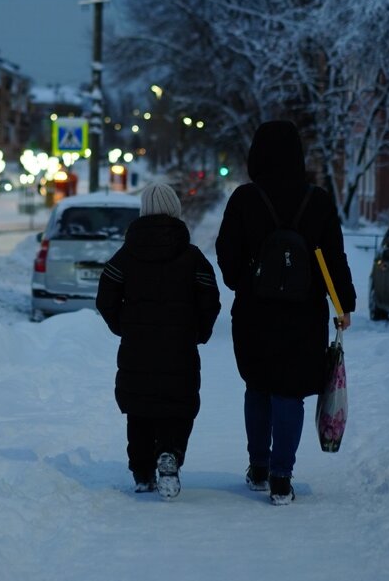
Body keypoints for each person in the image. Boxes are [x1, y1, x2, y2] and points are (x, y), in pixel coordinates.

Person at [215, 120, 355, 505]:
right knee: (290, 393)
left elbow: (226, 258)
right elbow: (334, 260)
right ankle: (281, 478)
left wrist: (247, 280)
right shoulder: (319, 201)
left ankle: (258, 467)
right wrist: (343, 305)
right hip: (303, 316)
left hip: (254, 314)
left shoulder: (245, 199)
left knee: (258, 386)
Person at [96, 182, 221, 500]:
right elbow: (210, 297)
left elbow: (105, 296)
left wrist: (123, 326)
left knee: (139, 407)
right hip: (179, 348)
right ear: (176, 210)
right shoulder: (192, 257)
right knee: (177, 405)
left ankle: (141, 471)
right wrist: (199, 332)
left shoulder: (125, 256)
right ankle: (170, 453)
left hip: (137, 348)